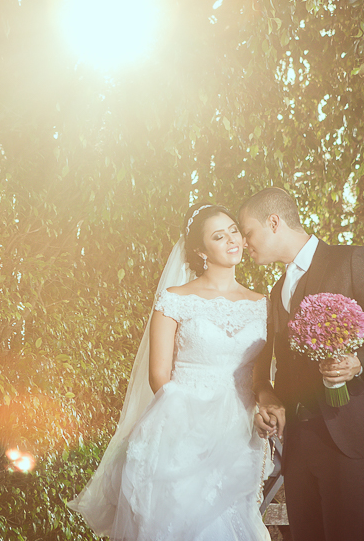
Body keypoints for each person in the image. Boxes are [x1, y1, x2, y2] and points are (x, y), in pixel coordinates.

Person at [68, 203, 273, 541]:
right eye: (218, 236)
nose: (231, 240)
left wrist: (264, 408)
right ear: (200, 250)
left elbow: (262, 377)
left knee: (232, 521)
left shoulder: (262, 304)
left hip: (239, 432)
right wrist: (193, 427)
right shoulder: (174, 299)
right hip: (182, 434)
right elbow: (159, 375)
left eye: (234, 231)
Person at [238, 187, 364, 541]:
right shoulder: (275, 291)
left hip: (352, 435)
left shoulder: (352, 260)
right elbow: (269, 362)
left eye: (248, 232)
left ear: (274, 223)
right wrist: (267, 394)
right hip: (300, 442)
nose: (244, 243)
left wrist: (357, 362)